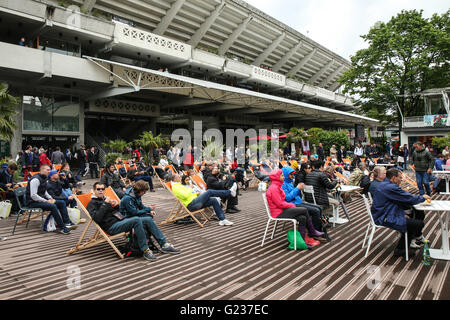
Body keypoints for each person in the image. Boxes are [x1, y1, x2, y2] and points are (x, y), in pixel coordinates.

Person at [87, 182, 159, 261]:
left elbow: (117, 213)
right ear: (94, 191)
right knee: (136, 220)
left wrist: (116, 205)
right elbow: (97, 218)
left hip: (120, 221)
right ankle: (145, 250)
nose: (101, 191)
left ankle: (164, 244)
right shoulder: (92, 203)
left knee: (148, 219)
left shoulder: (105, 200)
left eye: (102, 189)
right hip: (111, 227)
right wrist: (105, 204)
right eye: (98, 189)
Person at [371, 168, 430, 258]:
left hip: (383, 213)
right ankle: (400, 249)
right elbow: (409, 198)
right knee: (418, 224)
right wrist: (423, 197)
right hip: (384, 217)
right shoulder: (390, 187)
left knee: (415, 216)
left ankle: (404, 246)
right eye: (400, 177)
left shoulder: (384, 184)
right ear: (394, 178)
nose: (401, 179)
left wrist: (401, 214)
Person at [119, 180, 180, 256]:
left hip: (133, 216)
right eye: (144, 192)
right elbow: (134, 212)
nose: (144, 194)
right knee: (148, 220)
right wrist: (148, 209)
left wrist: (149, 210)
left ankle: (161, 243)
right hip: (128, 219)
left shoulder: (136, 195)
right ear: (139, 190)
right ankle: (163, 244)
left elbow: (141, 206)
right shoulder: (127, 198)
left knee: (149, 217)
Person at [266, 169, 320, 248]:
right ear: (276, 177)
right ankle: (312, 231)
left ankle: (302, 240)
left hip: (282, 210)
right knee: (304, 210)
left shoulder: (277, 186)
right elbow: (280, 203)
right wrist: (291, 205)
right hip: (278, 213)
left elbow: (282, 201)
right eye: (281, 175)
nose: (283, 177)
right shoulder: (274, 188)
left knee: (302, 217)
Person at [26, 164, 76, 234]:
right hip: (32, 202)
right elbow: (33, 195)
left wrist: (50, 198)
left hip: (41, 200)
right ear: (42, 170)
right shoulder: (35, 180)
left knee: (61, 202)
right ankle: (62, 228)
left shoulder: (44, 178)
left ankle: (67, 222)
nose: (49, 171)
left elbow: (45, 191)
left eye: (49, 170)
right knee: (53, 206)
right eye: (47, 170)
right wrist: (46, 200)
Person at [281, 166, 326, 240]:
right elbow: (288, 198)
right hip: (292, 205)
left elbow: (294, 195)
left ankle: (317, 230)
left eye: (293, 174)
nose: (293, 176)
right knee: (316, 210)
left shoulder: (289, 182)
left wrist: (300, 188)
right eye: (291, 174)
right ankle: (314, 233)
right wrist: (297, 188)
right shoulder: (283, 185)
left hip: (297, 202)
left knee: (318, 208)